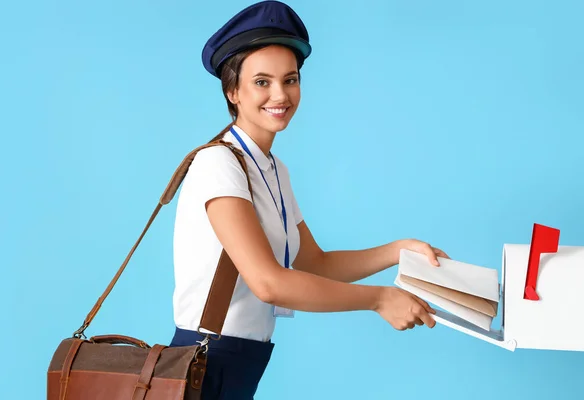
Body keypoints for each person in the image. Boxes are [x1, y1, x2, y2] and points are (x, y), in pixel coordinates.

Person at [169, 1, 449, 398]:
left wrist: (397, 251)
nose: (280, 94)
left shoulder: (272, 169)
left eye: (291, 79)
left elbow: (315, 264)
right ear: (233, 90)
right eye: (262, 82)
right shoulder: (217, 163)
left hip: (243, 362)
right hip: (205, 363)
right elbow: (268, 282)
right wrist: (379, 299)